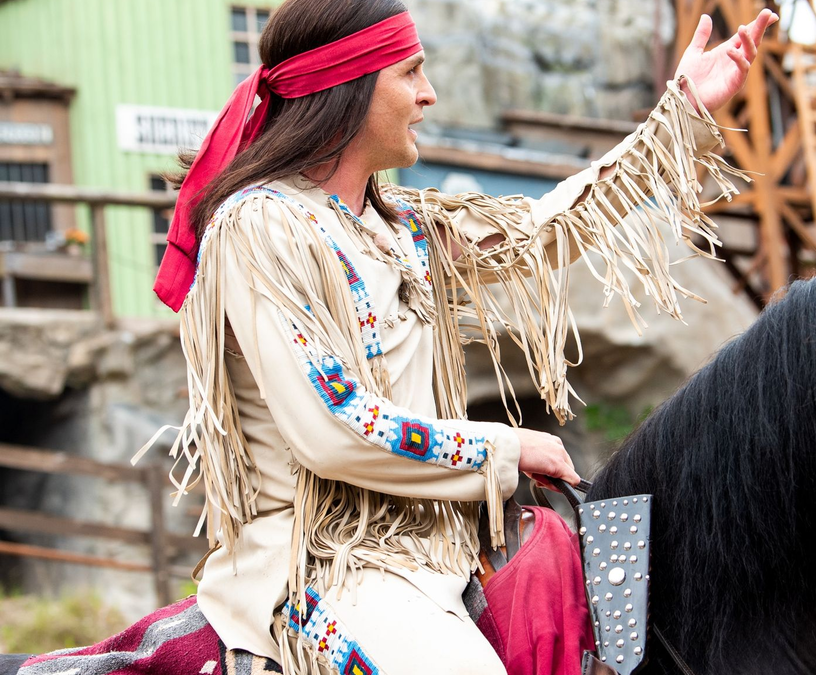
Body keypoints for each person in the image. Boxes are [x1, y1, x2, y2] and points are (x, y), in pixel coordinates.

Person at [143, 0, 776, 672]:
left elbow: (547, 228)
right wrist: (510, 446)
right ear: (350, 86)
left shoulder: (404, 227)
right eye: (410, 72)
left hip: (438, 552)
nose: (429, 93)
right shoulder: (260, 227)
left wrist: (678, 115)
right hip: (325, 570)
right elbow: (334, 427)